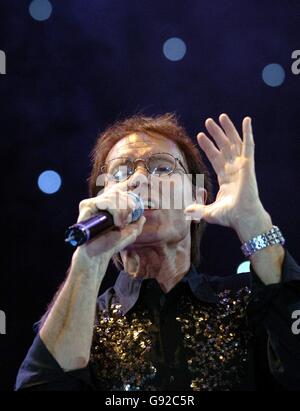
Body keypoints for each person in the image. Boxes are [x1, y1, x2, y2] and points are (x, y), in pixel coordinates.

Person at [16, 113, 300, 391]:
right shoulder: (81, 321)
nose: (138, 180)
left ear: (198, 198)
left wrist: (255, 224)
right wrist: (88, 259)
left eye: (163, 168)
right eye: (120, 173)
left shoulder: (246, 305)